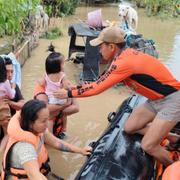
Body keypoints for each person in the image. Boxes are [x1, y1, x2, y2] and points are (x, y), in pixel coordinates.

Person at [52, 25, 180, 167]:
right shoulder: (123, 56)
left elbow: (97, 88)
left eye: (101, 46)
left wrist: (69, 93)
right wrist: (74, 88)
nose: (99, 50)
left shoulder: (124, 62)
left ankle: (174, 167)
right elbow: (99, 81)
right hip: (155, 99)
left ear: (111, 47)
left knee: (148, 145)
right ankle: (173, 137)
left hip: (172, 100)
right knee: (130, 127)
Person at [1, 99, 92, 180]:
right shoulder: (24, 147)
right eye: (43, 121)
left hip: (41, 171)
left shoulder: (38, 129)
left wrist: (81, 150)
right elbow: (34, 175)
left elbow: (56, 142)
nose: (47, 123)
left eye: (47, 119)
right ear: (30, 123)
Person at [38, 45, 79, 139]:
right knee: (64, 113)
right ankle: (64, 129)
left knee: (51, 117)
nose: (64, 65)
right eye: (63, 63)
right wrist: (71, 87)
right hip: (61, 98)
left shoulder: (46, 75)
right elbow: (65, 87)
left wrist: (39, 81)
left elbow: (42, 83)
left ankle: (52, 134)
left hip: (51, 99)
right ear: (59, 67)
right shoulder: (62, 75)